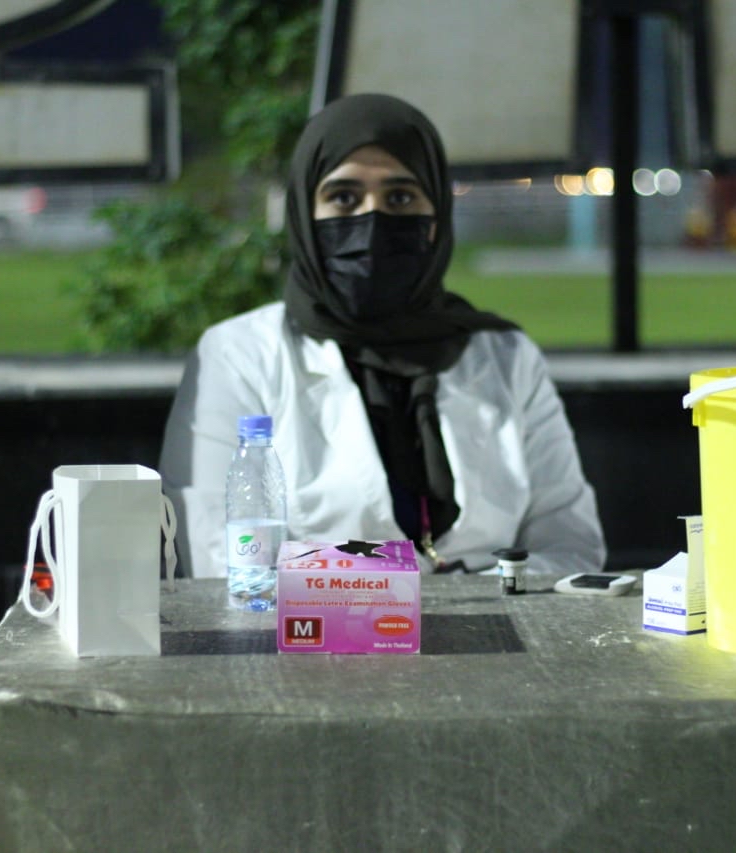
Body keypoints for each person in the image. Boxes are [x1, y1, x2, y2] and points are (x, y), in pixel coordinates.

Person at [159, 93, 605, 577]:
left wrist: (475, 602)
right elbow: (218, 560)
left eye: (400, 198)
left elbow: (569, 546)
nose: (372, 222)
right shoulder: (240, 355)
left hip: (500, 622)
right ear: (305, 214)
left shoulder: (504, 355)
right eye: (343, 198)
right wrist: (392, 598)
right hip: (309, 629)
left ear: (437, 216)